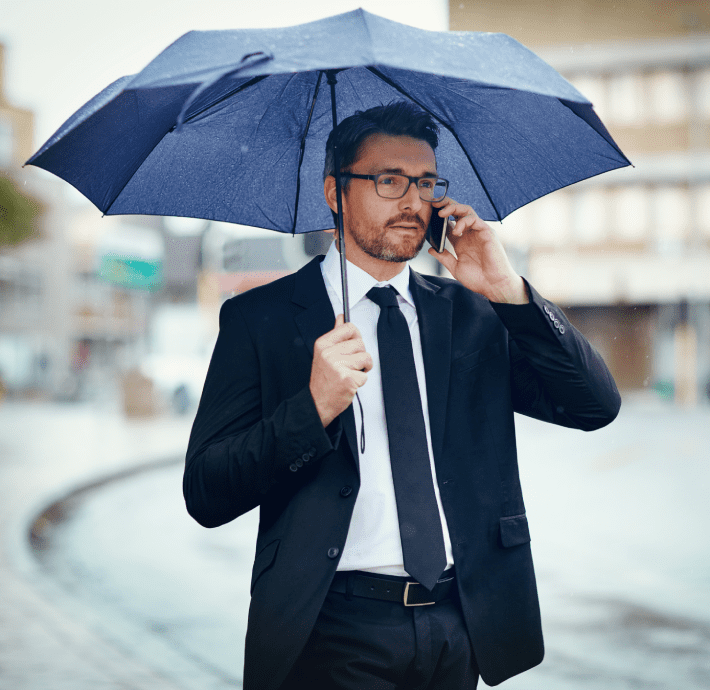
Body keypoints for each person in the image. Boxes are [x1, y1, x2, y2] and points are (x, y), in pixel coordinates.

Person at [183, 101, 621, 690]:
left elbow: (594, 405)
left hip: (460, 625)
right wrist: (311, 409)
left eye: (426, 183)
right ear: (335, 193)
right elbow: (207, 492)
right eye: (388, 181)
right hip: (329, 628)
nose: (413, 201)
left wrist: (508, 290)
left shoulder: (472, 314)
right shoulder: (259, 320)